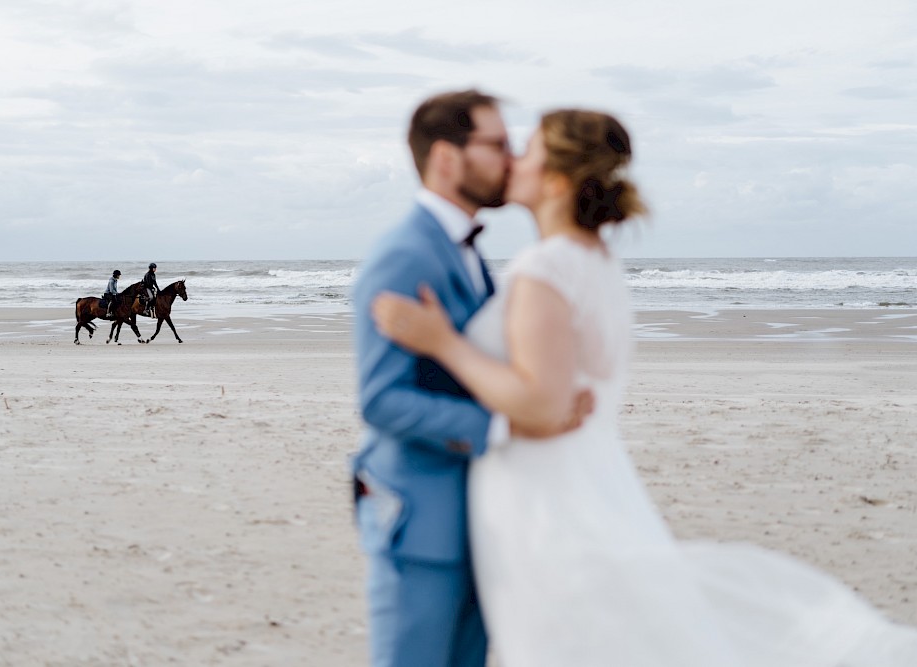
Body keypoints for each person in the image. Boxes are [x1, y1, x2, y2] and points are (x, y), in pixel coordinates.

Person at [371, 109, 917, 666]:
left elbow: (541, 403)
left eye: (526, 150)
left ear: (557, 179)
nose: (512, 159)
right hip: (590, 477)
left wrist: (445, 344)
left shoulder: (543, 270)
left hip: (540, 495)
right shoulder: (595, 262)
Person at [351, 91, 590, 667]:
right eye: (498, 144)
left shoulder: (465, 250)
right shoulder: (404, 255)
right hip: (423, 523)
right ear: (447, 158)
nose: (511, 159)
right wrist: (505, 425)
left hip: (480, 516)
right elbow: (381, 401)